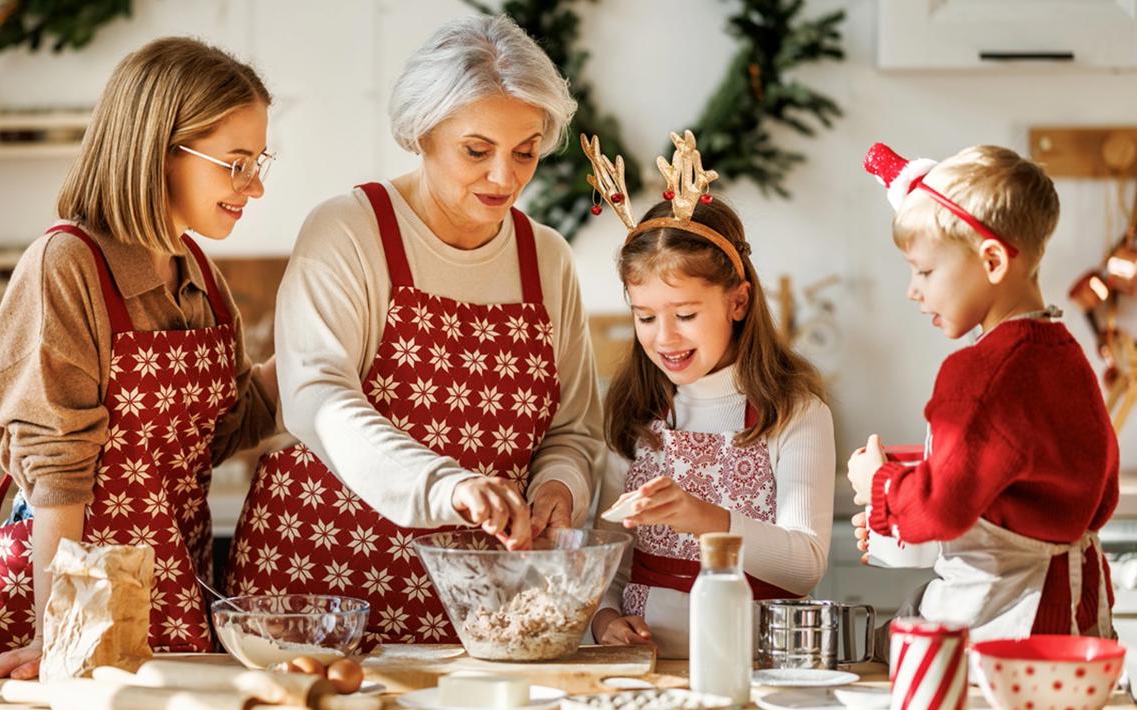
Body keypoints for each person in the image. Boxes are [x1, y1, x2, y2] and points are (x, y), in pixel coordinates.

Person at [223, 14, 602, 646]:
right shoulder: (349, 231)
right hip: (319, 587)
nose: (504, 177)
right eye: (476, 151)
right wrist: (448, 486)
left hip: (481, 607)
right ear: (420, 133)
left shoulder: (547, 258)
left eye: (525, 151)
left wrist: (561, 485)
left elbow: (571, 428)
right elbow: (317, 398)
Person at [0, 37, 279, 701]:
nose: (256, 185)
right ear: (159, 151)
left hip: (164, 588)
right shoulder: (68, 265)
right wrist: (54, 633)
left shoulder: (199, 274)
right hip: (67, 593)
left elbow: (223, 430)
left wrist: (314, 349)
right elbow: (56, 475)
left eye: (258, 161)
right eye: (236, 164)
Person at [849, 142, 1118, 642]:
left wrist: (881, 486)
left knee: (885, 649)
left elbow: (940, 509)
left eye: (925, 271)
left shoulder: (978, 373)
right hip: (1079, 622)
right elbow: (1090, 492)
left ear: (992, 260)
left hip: (1006, 627)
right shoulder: (1066, 353)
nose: (914, 289)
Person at [587, 131, 834, 657]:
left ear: (739, 302)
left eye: (686, 315)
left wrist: (706, 519)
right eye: (645, 317)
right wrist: (605, 620)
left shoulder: (795, 413)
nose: (665, 337)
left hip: (757, 664)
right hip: (645, 669)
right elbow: (610, 561)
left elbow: (805, 564)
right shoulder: (635, 415)